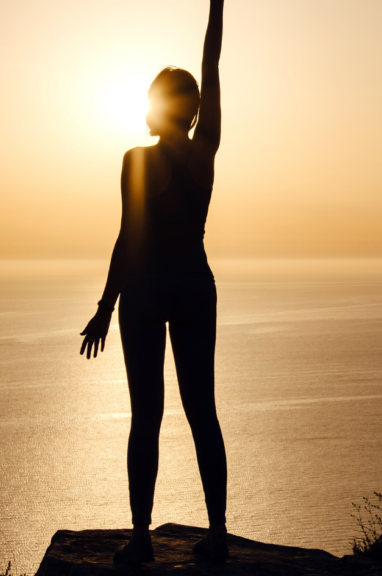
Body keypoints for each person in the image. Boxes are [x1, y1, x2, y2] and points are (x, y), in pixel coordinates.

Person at [79, 0, 228, 564]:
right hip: (193, 283)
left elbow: (128, 237)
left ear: (154, 106)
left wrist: (105, 306)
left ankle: (141, 537)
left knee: (146, 415)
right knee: (202, 411)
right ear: (193, 110)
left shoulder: (135, 161)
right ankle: (217, 533)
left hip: (144, 289)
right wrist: (216, 8)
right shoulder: (205, 151)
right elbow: (212, 65)